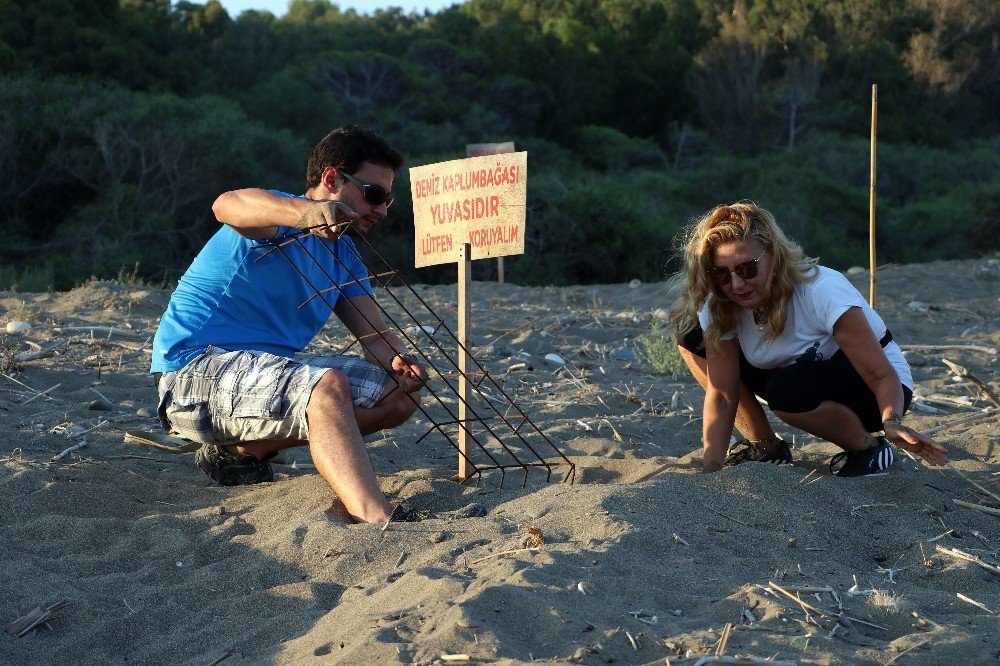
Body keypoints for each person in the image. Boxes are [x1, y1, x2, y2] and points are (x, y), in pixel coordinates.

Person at [151, 125, 424, 524]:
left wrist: (400, 362)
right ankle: (376, 516)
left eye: (388, 199)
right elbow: (227, 205)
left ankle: (243, 454)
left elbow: (375, 337)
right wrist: (305, 215)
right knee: (327, 385)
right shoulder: (278, 218)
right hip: (191, 373)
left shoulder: (345, 255)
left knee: (400, 394)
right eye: (374, 195)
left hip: (258, 378)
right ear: (332, 179)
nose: (381, 210)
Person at [668, 201, 948, 476]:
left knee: (787, 389)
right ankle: (765, 447)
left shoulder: (821, 290)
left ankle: (868, 447)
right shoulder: (720, 303)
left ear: (774, 257)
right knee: (693, 335)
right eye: (721, 274)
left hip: (877, 390)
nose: (737, 284)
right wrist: (711, 467)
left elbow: (880, 375)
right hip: (794, 373)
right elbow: (722, 393)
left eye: (746, 269)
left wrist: (892, 421)